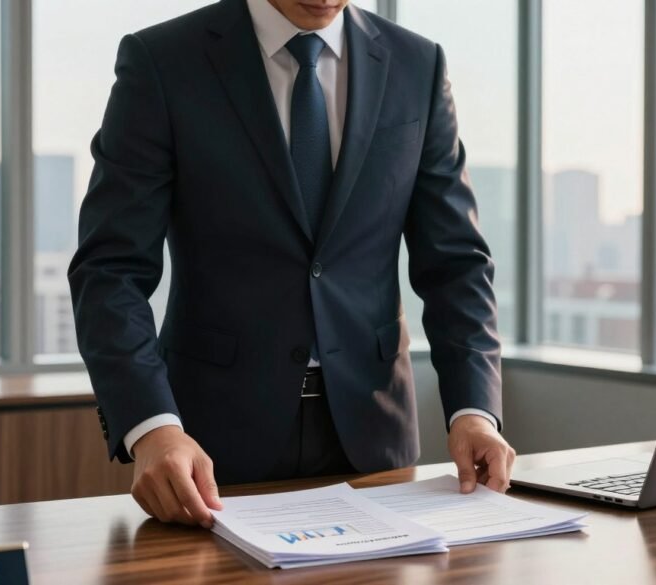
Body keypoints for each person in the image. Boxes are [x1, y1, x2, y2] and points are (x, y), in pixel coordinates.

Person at [68, 0, 514, 529]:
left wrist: (474, 411)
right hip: (207, 452)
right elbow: (110, 269)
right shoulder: (163, 61)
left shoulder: (418, 65)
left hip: (376, 444)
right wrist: (151, 425)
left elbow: (457, 263)